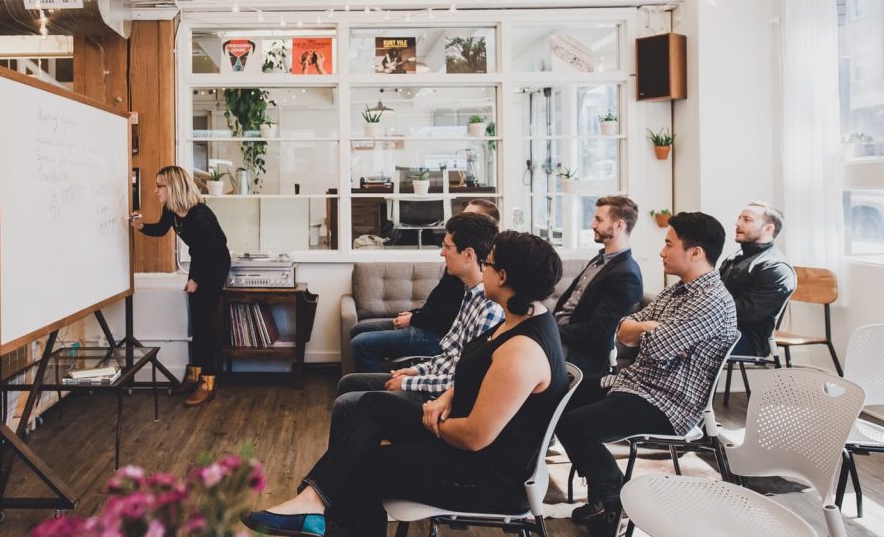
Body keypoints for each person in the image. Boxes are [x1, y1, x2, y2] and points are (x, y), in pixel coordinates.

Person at [241, 231, 568, 537]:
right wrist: (446, 398)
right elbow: (477, 374)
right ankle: (315, 505)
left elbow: (474, 437)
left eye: (490, 263)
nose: (483, 268)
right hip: (462, 439)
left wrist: (436, 424)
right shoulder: (518, 320)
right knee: (371, 405)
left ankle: (318, 510)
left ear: (504, 277)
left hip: (486, 478)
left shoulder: (522, 352)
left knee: (359, 463)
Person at [556, 212, 736, 536]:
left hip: (668, 404)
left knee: (574, 424)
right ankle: (604, 496)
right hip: (635, 384)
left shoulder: (712, 300)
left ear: (695, 252)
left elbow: (651, 347)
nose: (661, 252)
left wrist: (647, 333)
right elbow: (622, 330)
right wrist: (649, 330)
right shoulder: (677, 291)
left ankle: (613, 502)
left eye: (669, 244)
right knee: (558, 398)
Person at [330, 211, 501, 445]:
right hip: (433, 382)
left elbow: (465, 382)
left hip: (441, 400)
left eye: (447, 247)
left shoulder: (489, 308)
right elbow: (451, 356)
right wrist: (416, 371)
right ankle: (351, 463)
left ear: (469, 255)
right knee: (348, 383)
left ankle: (349, 470)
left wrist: (410, 382)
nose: (442, 253)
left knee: (346, 405)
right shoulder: (468, 293)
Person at [349, 199, 500, 373]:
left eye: (469, 216)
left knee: (361, 344)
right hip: (428, 324)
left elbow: (447, 321)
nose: (443, 252)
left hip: (436, 333)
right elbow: (438, 304)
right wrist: (415, 314)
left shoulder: (474, 274)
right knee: (359, 330)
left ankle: (377, 386)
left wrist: (413, 320)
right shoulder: (459, 271)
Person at [132, 165, 231, 408]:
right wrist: (140, 226)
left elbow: (214, 253)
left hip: (215, 266)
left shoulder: (199, 217)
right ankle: (194, 374)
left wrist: (197, 281)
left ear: (173, 187)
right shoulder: (173, 211)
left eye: (159, 186)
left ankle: (208, 382)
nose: (156, 191)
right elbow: (160, 230)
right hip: (200, 261)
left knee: (205, 325)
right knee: (196, 322)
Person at [554, 196, 643, 379]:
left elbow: (598, 332)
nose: (592, 224)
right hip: (561, 336)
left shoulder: (627, 274)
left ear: (619, 225)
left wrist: (552, 331)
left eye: (599, 219)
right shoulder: (599, 260)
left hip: (577, 352)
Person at [719, 201, 796, 357]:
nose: (738, 223)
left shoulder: (776, 267)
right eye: (739, 218)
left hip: (749, 340)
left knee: (678, 339)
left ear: (768, 229)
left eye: (746, 219)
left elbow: (747, 312)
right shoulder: (735, 258)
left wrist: (701, 310)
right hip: (721, 330)